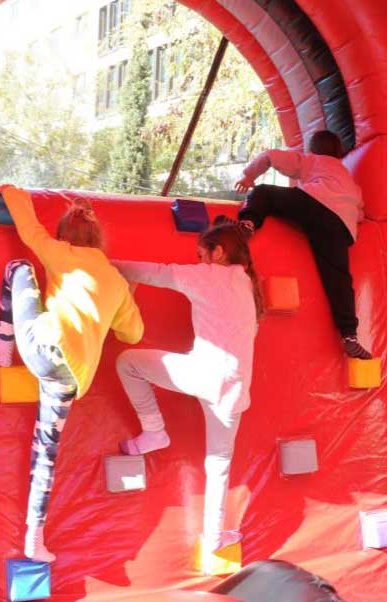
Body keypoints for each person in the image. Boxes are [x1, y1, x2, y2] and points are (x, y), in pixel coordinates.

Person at [0, 185, 144, 563]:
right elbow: (133, 333)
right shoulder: (115, 281)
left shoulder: (62, 254)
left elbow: (29, 229)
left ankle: (3, 341)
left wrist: (11, 191)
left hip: (42, 346)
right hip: (70, 378)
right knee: (46, 453)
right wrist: (121, 302)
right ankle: (34, 538)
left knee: (19, 267)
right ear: (98, 240)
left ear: (64, 236)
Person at [112, 223, 261, 561]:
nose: (198, 261)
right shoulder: (246, 283)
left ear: (218, 252)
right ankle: (213, 537)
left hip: (204, 375)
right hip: (235, 390)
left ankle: (154, 430)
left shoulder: (209, 275)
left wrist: (107, 264)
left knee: (128, 363)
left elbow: (154, 273)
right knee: (219, 462)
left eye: (200, 255)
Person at [220, 129, 372, 359]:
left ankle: (248, 225)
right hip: (341, 226)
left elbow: (270, 156)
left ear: (312, 150)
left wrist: (249, 176)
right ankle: (349, 334)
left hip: (314, 202)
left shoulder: (313, 161)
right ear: (340, 154)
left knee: (264, 192)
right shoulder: (350, 181)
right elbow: (360, 213)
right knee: (338, 279)